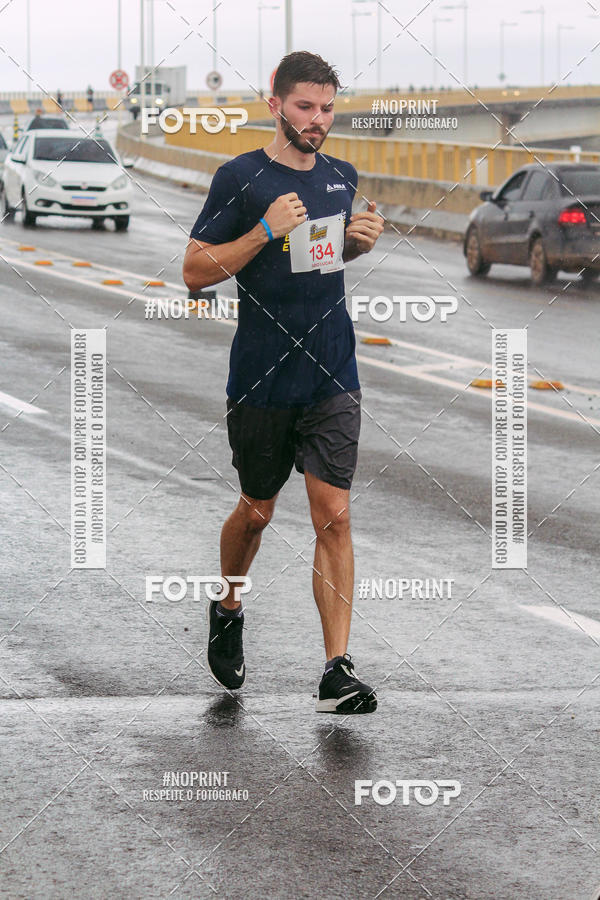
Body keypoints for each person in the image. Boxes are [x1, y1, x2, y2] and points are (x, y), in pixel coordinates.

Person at [183, 51, 384, 714]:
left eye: (327, 108)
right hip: (263, 378)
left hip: (332, 372)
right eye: (305, 107)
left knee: (335, 515)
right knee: (257, 511)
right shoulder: (239, 177)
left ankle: (336, 669)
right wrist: (264, 231)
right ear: (276, 105)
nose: (318, 120)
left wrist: (357, 240)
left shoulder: (340, 176)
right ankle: (230, 601)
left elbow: (316, 258)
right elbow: (194, 271)